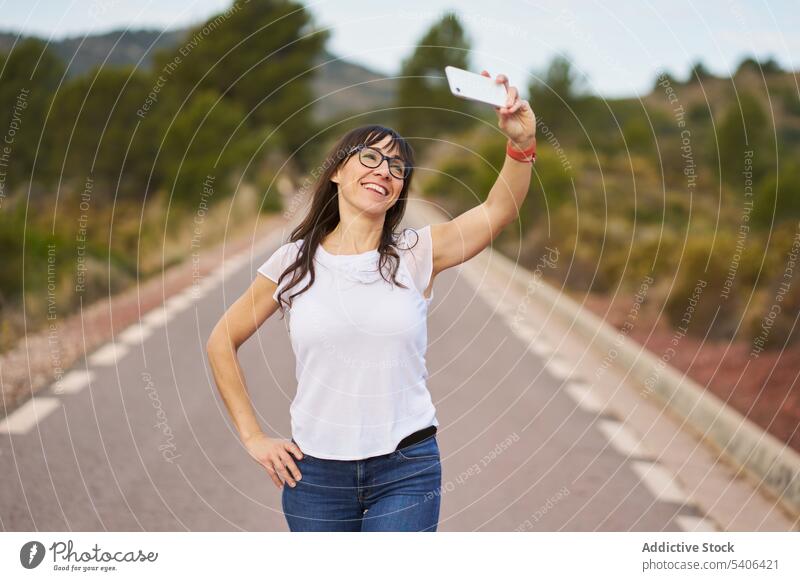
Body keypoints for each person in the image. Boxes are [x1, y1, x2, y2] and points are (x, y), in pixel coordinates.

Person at [206, 71, 536, 531]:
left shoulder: (418, 253)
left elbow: (498, 211)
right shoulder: (292, 262)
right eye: (371, 157)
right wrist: (252, 436)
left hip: (406, 468)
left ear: (400, 190)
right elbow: (221, 341)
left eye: (397, 167)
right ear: (338, 171)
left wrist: (522, 144)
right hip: (316, 474)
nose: (384, 170)